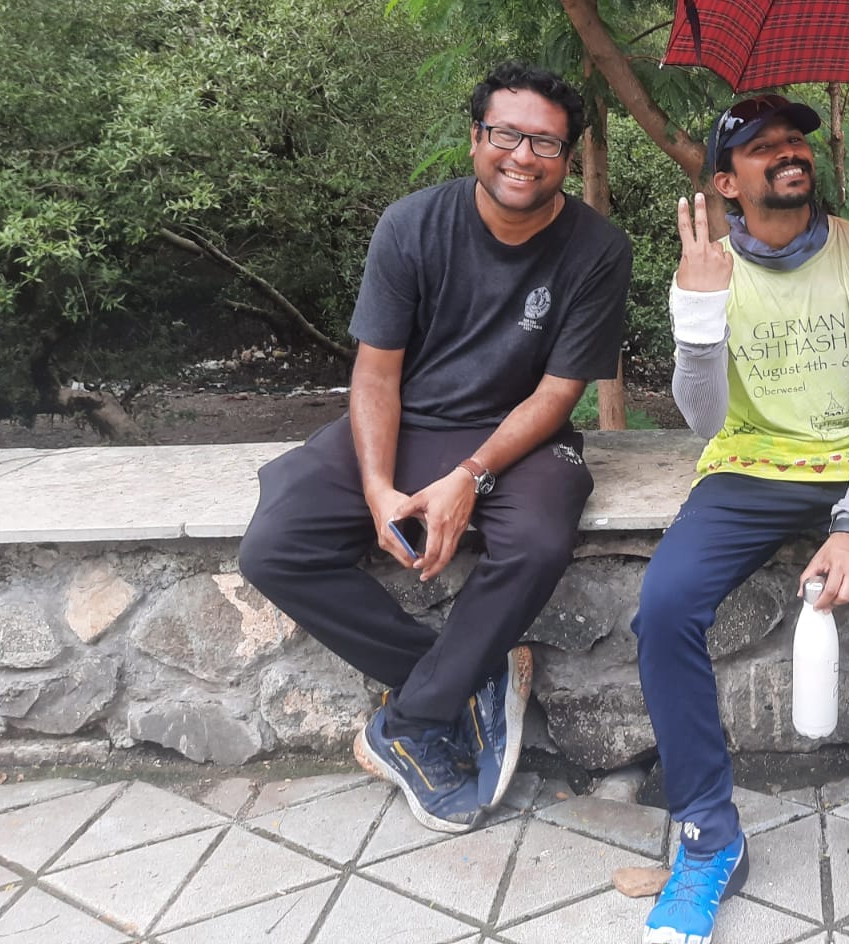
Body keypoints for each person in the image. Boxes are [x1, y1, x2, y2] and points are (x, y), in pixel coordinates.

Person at [239, 61, 632, 834]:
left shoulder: (597, 249)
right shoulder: (412, 225)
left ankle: (413, 721)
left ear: (566, 156)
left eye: (546, 143)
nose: (523, 156)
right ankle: (467, 676)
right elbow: (375, 375)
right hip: (408, 422)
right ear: (477, 137)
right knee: (274, 548)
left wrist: (469, 475)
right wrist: (378, 487)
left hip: (519, 437)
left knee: (540, 539)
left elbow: (558, 394)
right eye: (507, 134)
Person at [635, 95, 849, 944]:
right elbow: (704, 422)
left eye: (796, 141)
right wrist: (698, 315)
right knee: (663, 605)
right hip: (749, 465)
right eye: (762, 146)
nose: (789, 152)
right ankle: (708, 837)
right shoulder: (705, 270)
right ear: (725, 183)